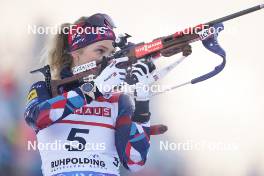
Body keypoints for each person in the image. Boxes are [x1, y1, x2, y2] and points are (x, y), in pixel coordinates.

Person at [24, 13, 157, 176]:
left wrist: (142, 100)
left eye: (112, 52)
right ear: (76, 53)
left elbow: (135, 161)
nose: (108, 59)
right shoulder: (46, 89)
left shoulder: (119, 100)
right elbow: (36, 118)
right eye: (100, 50)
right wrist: (95, 89)